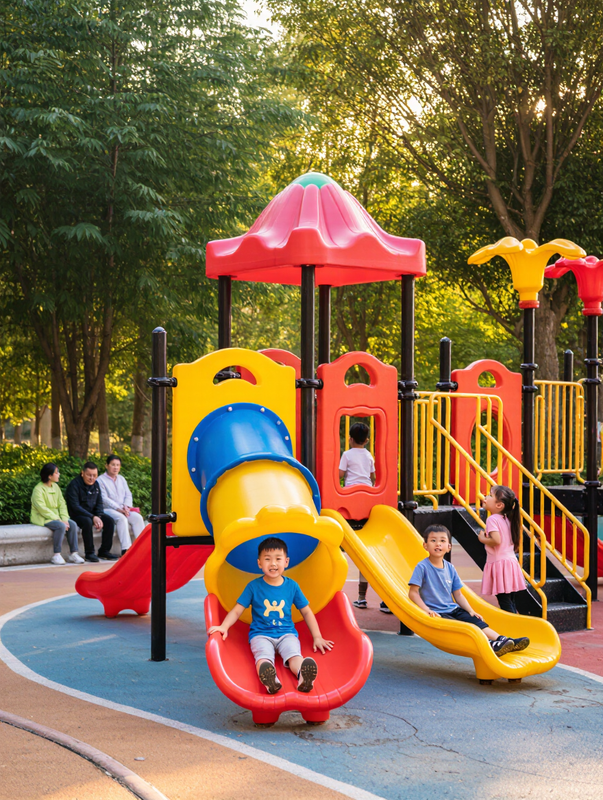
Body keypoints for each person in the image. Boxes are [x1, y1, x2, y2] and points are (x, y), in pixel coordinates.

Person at [208, 537, 334, 694]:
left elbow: (306, 611)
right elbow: (237, 610)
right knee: (263, 657)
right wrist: (224, 626)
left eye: (278, 559)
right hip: (261, 634)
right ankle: (270, 680)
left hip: (287, 634)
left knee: (294, 655)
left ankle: (304, 676)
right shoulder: (253, 587)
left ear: (286, 562)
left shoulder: (292, 586)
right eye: (267, 559)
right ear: (259, 563)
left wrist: (317, 636)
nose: (273, 563)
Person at [408, 524, 529, 656]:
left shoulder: (450, 568)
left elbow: (458, 595)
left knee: (476, 621)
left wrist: (470, 611)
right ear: (425, 546)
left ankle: (503, 640)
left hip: (453, 609)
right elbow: (413, 593)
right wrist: (427, 610)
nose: (438, 544)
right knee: (465, 628)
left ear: (449, 547)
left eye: (442, 540)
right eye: (433, 540)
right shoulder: (422, 567)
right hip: (438, 612)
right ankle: (490, 644)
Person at [339, 422, 391, 614]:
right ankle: (377, 598)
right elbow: (373, 475)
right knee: (369, 551)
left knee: (356, 551)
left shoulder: (347, 454)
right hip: (368, 498)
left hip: (350, 498)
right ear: (367, 440)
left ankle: (361, 598)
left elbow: (340, 474)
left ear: (350, 439)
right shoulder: (369, 455)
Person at [478, 485, 527, 614]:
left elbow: (496, 540)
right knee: (510, 600)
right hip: (510, 562)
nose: (486, 497)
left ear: (499, 505)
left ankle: (512, 624)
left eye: (490, 495)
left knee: (504, 601)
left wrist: (482, 539)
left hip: (500, 564)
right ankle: (515, 621)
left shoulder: (492, 519)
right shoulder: (507, 519)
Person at [30, 463, 85, 565]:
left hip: (56, 517)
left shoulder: (56, 487)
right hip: (43, 518)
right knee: (60, 526)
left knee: (72, 524)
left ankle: (73, 554)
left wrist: (64, 519)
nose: (59, 474)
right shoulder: (38, 489)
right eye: (56, 473)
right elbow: (42, 509)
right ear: (49, 476)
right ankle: (56, 555)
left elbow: (62, 504)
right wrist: (59, 520)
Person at [65, 462, 118, 563]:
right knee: (87, 521)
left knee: (109, 521)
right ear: (82, 473)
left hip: (92, 514)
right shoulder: (74, 485)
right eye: (89, 475)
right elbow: (75, 506)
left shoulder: (96, 484)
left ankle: (104, 551)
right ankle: (89, 553)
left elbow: (99, 503)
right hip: (77, 515)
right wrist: (92, 517)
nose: (92, 478)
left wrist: (98, 516)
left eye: (94, 475)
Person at [97, 454, 145, 555]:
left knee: (137, 518)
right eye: (113, 465)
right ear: (107, 465)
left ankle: (142, 547)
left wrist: (126, 507)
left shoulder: (121, 479)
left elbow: (128, 494)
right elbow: (104, 498)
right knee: (121, 518)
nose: (115, 467)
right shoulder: (100, 480)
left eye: (117, 465)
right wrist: (118, 508)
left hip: (123, 509)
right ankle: (126, 549)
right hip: (108, 509)